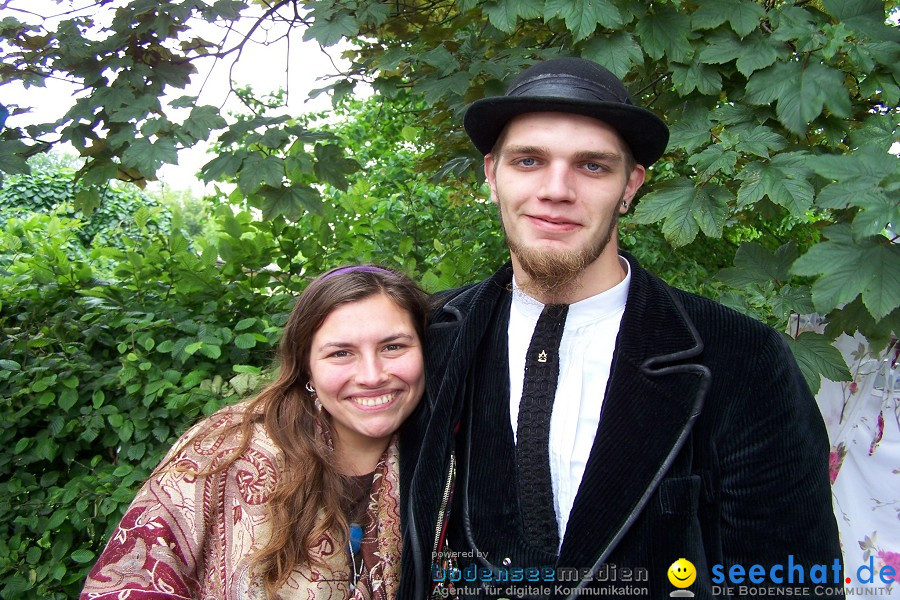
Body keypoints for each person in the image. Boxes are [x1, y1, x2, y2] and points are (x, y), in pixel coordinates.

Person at [398, 57, 843, 599]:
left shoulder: (743, 357)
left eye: (592, 166)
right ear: (492, 176)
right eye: (529, 160)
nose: (556, 189)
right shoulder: (431, 339)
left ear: (631, 185)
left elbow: (789, 582)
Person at [82, 265, 428, 600]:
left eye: (393, 347)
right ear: (306, 366)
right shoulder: (224, 450)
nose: (371, 375)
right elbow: (132, 581)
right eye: (340, 353)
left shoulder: (457, 456)